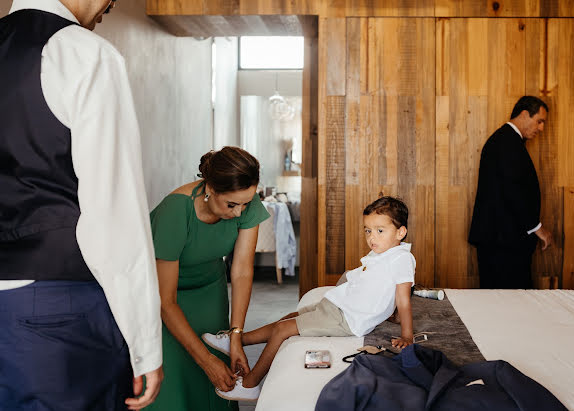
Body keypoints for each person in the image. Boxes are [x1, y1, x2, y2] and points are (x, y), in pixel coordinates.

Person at [0, 1, 163, 410]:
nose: (110, 5)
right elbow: (114, 210)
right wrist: (145, 344)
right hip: (58, 307)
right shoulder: (81, 51)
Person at [204, 196, 416, 402]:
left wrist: (407, 335)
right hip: (339, 306)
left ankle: (250, 385)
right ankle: (237, 340)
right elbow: (381, 290)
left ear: (401, 232)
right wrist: (390, 313)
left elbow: (403, 298)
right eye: (368, 230)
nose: (372, 238)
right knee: (290, 317)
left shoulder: (401, 258)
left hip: (347, 319)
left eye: (380, 231)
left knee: (282, 330)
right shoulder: (381, 253)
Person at [146, 146, 271, 410]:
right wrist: (206, 360)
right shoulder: (175, 211)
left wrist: (235, 336)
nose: (239, 213)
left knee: (215, 386)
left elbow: (241, 270)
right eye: (232, 205)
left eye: (246, 204)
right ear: (210, 189)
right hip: (164, 299)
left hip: (210, 292)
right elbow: (165, 301)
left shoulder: (244, 197)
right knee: (176, 380)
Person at [469, 96, 554, 289]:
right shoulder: (507, 143)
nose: (541, 128)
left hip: (501, 241)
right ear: (524, 114)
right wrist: (536, 227)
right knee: (508, 305)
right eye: (539, 121)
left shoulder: (506, 141)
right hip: (502, 244)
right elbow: (514, 190)